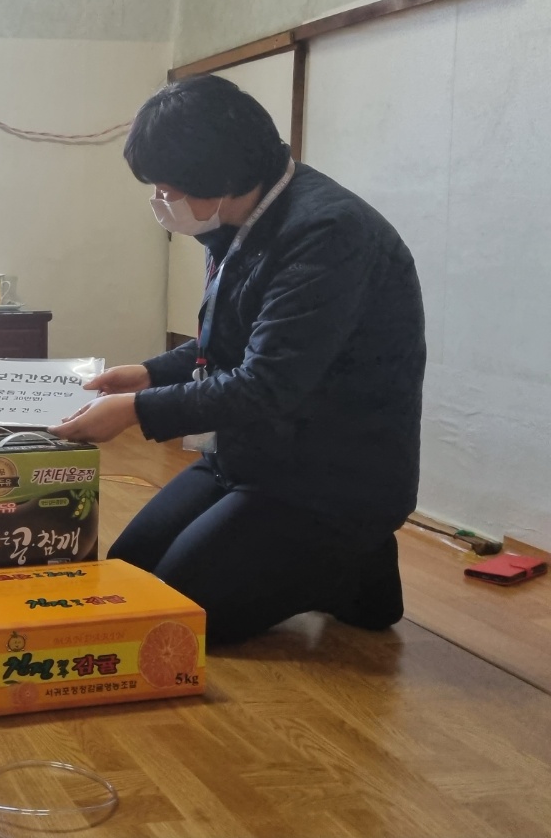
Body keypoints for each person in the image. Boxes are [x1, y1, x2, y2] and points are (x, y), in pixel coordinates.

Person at [51, 76, 426, 645]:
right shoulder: (238, 217)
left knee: (179, 615)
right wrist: (150, 373)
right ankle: (328, 562)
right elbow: (230, 343)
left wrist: (135, 410)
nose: (162, 201)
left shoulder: (327, 233)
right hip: (252, 454)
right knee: (131, 573)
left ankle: (352, 562)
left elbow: (267, 383)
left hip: (330, 480)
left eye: (170, 188)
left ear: (221, 177)